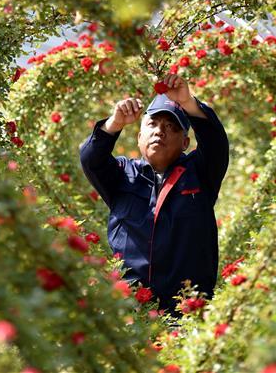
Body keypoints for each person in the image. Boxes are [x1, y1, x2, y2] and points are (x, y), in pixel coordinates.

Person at [79, 73, 229, 316]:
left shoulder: (200, 173)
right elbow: (90, 159)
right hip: (131, 313)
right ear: (139, 138)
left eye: (171, 127)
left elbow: (215, 143)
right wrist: (114, 123)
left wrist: (188, 102)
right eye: (153, 124)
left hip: (188, 313)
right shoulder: (122, 175)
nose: (160, 131)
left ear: (184, 142)